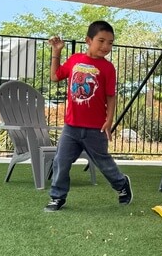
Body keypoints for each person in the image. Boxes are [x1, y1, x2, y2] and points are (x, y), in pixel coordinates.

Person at [44, 20, 133, 212]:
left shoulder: (108, 68)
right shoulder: (75, 60)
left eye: (110, 43)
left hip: (95, 128)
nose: (105, 46)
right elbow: (55, 76)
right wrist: (56, 51)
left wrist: (109, 120)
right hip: (71, 127)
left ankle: (121, 184)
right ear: (88, 40)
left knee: (103, 162)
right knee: (61, 161)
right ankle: (57, 197)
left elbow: (110, 96)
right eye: (101, 41)